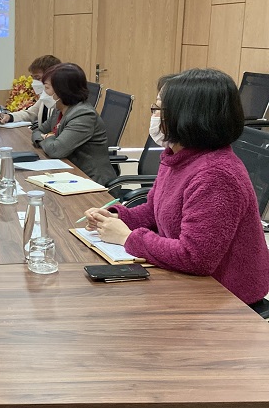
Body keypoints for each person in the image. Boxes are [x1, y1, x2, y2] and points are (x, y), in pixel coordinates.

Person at [84, 68, 269, 310]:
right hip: (190, 282)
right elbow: (154, 210)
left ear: (189, 115)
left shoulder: (215, 174)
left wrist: (127, 238)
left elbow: (196, 257)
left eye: (158, 109)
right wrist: (118, 218)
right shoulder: (178, 156)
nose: (153, 115)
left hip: (226, 298)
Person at [31, 63, 116, 186]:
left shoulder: (83, 115)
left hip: (92, 182)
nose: (43, 93)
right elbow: (37, 132)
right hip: (69, 174)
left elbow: (56, 150)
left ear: (61, 90)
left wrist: (48, 137)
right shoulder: (59, 109)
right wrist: (47, 138)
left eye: (47, 88)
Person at [0, 54, 61, 126]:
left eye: (38, 78)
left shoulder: (61, 100)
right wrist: (9, 117)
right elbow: (30, 113)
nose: (34, 82)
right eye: (33, 78)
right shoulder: (45, 97)